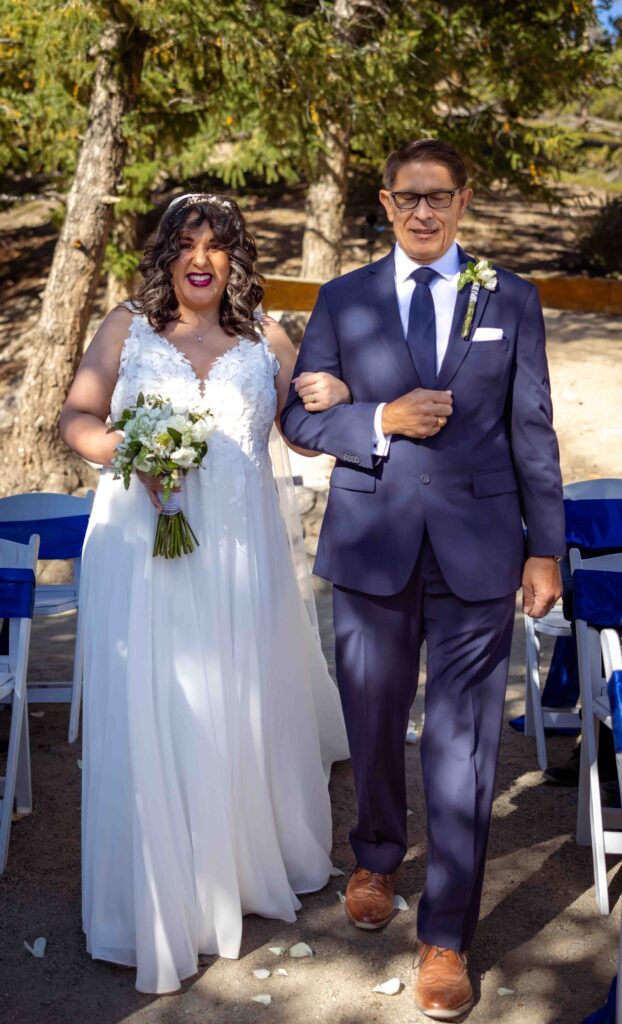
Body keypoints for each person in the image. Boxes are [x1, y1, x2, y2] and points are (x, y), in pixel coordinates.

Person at [281, 139, 565, 1021]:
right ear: (385, 201)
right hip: (372, 541)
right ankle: (374, 854)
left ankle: (446, 934)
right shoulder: (343, 298)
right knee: (370, 712)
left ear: (464, 201)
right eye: (408, 198)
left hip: (480, 546)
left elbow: (534, 431)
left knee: (465, 742)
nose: (424, 212)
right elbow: (296, 417)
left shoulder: (511, 298)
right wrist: (378, 419)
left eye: (440, 197)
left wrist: (544, 547)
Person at [59, 193, 351, 994]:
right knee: (156, 703)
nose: (201, 257)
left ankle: (232, 868)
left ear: (234, 259)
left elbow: (306, 427)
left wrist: (349, 400)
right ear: (166, 255)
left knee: (234, 702)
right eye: (186, 243)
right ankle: (157, 892)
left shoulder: (266, 338)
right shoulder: (126, 326)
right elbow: (77, 416)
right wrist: (121, 446)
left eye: (216, 246)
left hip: (239, 557)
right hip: (141, 552)